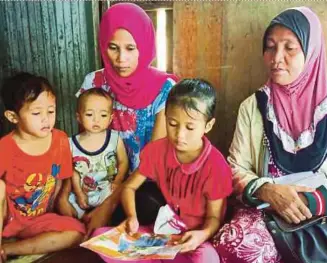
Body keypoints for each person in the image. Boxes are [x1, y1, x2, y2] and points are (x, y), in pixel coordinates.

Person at [212, 7, 327, 262]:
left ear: (311, 50)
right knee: (237, 245)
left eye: (289, 48)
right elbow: (235, 167)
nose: (276, 58)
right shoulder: (254, 107)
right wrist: (266, 189)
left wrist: (316, 201)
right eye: (270, 47)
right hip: (268, 210)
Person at [58, 3, 177, 237]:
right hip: (97, 179)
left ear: (144, 45)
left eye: (131, 48)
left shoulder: (164, 89)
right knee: (65, 204)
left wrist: (109, 204)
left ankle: (103, 221)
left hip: (143, 182)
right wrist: (66, 192)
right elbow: (84, 145)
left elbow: (152, 160)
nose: (121, 59)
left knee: (150, 206)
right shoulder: (93, 83)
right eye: (113, 48)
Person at [95, 79, 233, 263]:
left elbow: (215, 217)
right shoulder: (157, 151)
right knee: (101, 237)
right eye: (172, 123)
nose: (179, 134)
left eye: (190, 127)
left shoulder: (216, 166)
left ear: (208, 125)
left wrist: (201, 235)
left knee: (207, 259)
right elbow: (129, 187)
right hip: (162, 234)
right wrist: (132, 217)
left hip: (193, 241)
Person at [0, 73, 85, 262]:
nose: (46, 119)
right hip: (8, 219)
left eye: (51, 111)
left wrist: (63, 201)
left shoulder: (60, 139)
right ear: (13, 116)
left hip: (39, 218)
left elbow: (62, 177)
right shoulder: (5, 148)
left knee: (77, 233)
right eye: (37, 113)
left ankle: (9, 248)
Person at [65, 88, 128, 219]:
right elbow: (73, 172)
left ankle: (98, 216)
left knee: (119, 196)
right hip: (83, 192)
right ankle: (82, 224)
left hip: (107, 190)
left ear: (110, 118)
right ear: (79, 117)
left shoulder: (115, 139)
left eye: (103, 115)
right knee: (67, 208)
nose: (96, 120)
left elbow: (123, 162)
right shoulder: (70, 144)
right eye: (89, 114)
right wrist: (79, 193)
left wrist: (117, 181)